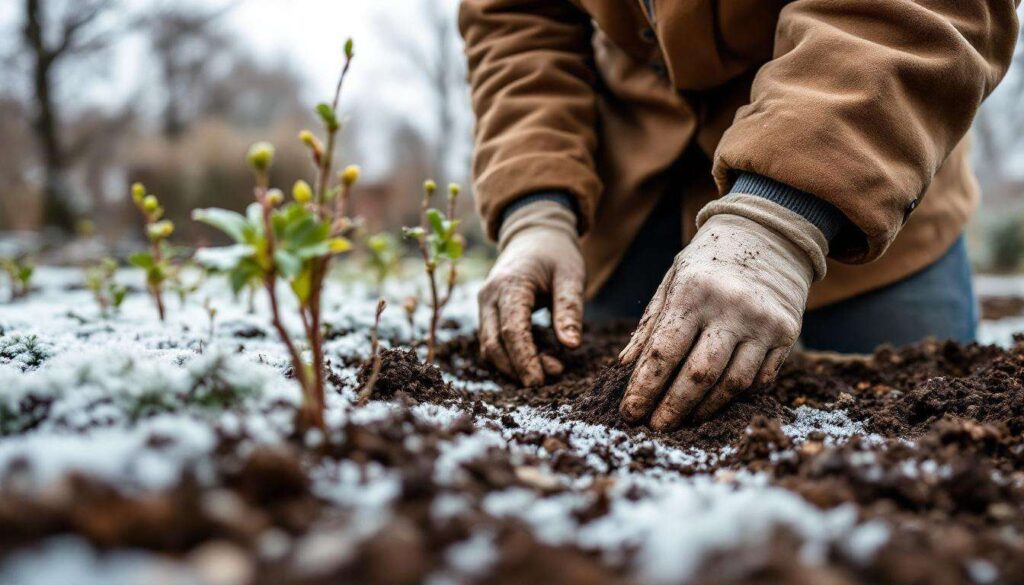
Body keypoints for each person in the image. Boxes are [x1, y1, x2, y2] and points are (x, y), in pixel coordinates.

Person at [459, 0, 1020, 431]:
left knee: (923, 429)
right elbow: (518, 19)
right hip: (627, 191)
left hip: (861, 162)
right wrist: (537, 205)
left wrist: (778, 219)